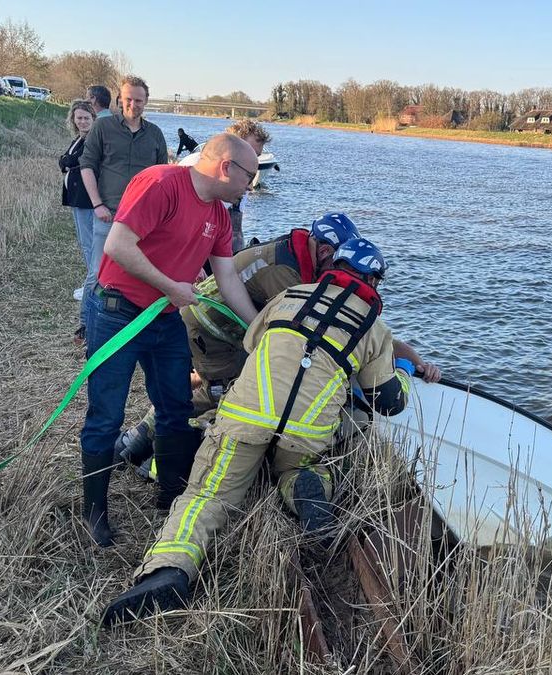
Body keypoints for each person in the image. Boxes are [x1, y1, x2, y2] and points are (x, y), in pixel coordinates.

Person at [102, 238, 411, 625]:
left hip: (248, 414)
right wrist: (405, 374)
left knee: (208, 495)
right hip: (305, 430)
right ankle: (304, 488)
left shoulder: (290, 295)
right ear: (374, 282)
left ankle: (170, 569)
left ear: (335, 266)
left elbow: (255, 347)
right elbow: (388, 402)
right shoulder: (374, 328)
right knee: (308, 462)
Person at [114, 213, 441, 468]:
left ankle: (138, 439)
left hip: (209, 327)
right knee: (234, 395)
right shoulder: (291, 280)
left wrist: (418, 359)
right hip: (211, 336)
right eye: (339, 260)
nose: (343, 272)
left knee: (211, 386)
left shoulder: (294, 256)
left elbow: (369, 333)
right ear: (326, 251)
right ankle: (159, 450)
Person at [78, 133, 260, 548]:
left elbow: (228, 277)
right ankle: (95, 513)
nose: (249, 186)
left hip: (164, 319)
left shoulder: (218, 213)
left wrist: (257, 330)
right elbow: (118, 245)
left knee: (176, 406)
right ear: (226, 167)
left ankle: (171, 497)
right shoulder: (161, 184)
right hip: (117, 312)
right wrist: (171, 287)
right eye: (248, 176)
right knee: (106, 414)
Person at [78, 75, 168, 325]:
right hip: (109, 213)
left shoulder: (155, 135)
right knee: (98, 272)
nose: (133, 104)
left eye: (139, 100)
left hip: (142, 221)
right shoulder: (103, 128)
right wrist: (97, 204)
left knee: (137, 272)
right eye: (128, 99)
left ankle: (128, 323)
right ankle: (86, 324)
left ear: (146, 102)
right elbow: (86, 165)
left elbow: (163, 179)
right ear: (120, 99)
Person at [178, 119, 273, 252]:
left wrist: (238, 260)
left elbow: (235, 229)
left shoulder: (242, 181)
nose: (253, 161)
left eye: (257, 156)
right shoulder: (195, 165)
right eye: (249, 151)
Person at [59, 99, 97, 344]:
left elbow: (76, 162)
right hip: (77, 201)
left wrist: (66, 162)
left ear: (93, 118)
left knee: (91, 249)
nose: (82, 121)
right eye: (78, 118)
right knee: (87, 248)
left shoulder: (91, 141)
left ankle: (87, 315)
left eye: (86, 117)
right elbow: (65, 160)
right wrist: (66, 161)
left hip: (86, 201)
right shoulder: (78, 139)